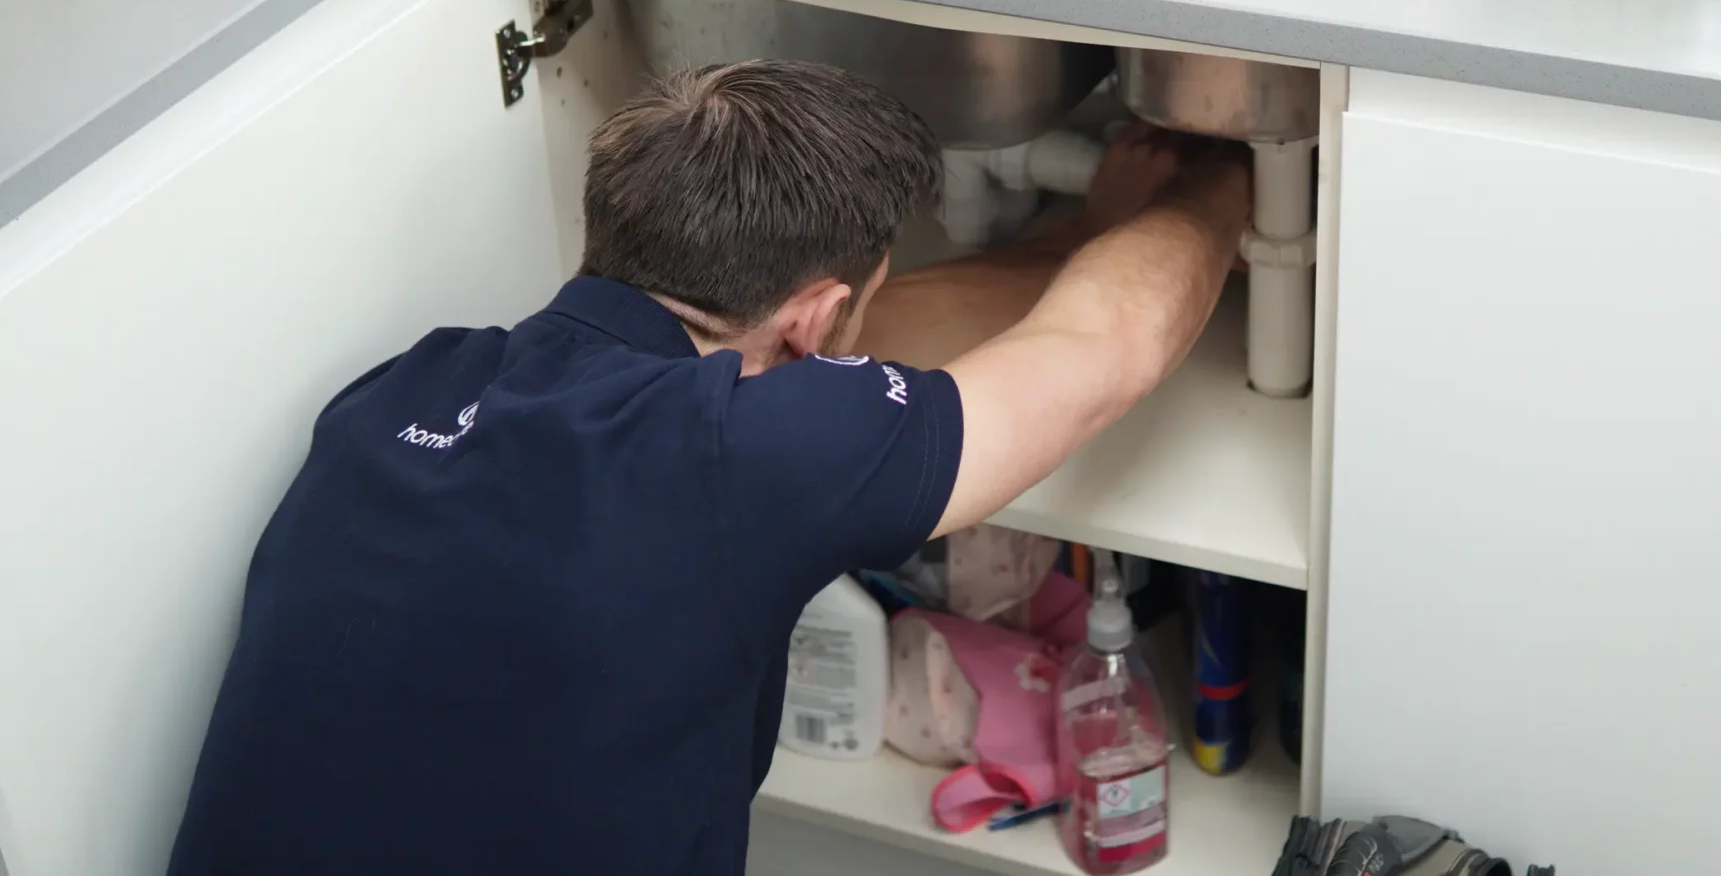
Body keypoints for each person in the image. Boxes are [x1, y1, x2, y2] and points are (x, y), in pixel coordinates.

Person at [167, 59, 1250, 876]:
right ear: (816, 322)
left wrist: (1079, 236)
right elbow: (1103, 355)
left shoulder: (401, 391)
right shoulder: (746, 453)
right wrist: (1221, 186)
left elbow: (883, 338)